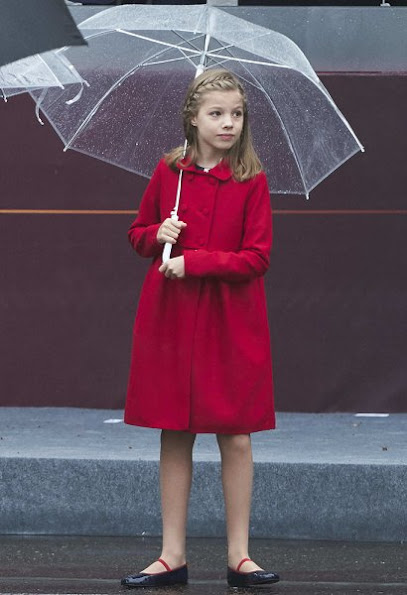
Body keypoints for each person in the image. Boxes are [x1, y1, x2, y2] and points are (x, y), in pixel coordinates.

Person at [121, 68, 279, 589]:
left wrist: (197, 261)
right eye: (217, 113)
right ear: (193, 117)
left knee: (235, 434)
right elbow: (139, 235)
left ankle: (240, 556)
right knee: (175, 429)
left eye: (236, 114)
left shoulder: (251, 179)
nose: (228, 123)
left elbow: (256, 257)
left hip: (231, 322)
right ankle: (172, 555)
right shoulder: (170, 171)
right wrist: (157, 232)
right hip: (172, 317)